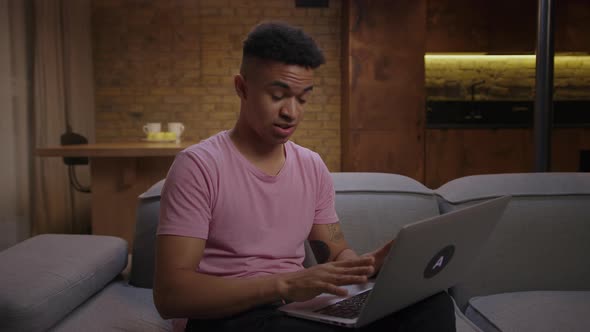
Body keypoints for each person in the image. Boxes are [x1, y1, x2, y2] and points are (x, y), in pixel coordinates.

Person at [153, 22, 455, 332]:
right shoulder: (198, 166)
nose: (292, 113)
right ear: (242, 88)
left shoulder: (311, 165)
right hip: (228, 317)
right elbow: (171, 296)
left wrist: (367, 265)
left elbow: (335, 252)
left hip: (295, 311)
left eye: (302, 98)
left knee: (433, 304)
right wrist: (283, 284)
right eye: (278, 95)